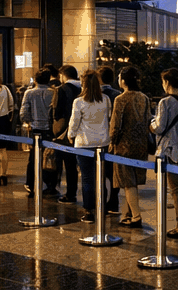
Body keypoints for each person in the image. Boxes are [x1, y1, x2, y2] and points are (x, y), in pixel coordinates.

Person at [108, 65, 152, 227]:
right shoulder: (144, 98)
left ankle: (136, 216)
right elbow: (148, 120)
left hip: (123, 146)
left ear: (124, 81)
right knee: (133, 182)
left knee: (127, 182)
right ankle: (127, 213)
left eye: (120, 77)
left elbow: (115, 125)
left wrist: (112, 142)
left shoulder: (120, 99)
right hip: (141, 144)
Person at [151, 67, 178, 238]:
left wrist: (151, 124)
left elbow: (159, 127)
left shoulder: (165, 102)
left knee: (176, 190)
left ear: (166, 82)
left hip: (170, 151)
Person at [67, 68, 110, 223]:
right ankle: (103, 207)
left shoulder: (79, 102)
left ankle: (88, 210)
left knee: (87, 178)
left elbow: (74, 122)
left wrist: (70, 135)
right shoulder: (105, 99)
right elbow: (108, 118)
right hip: (103, 142)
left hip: (84, 143)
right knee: (101, 177)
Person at [19, 67, 55, 196]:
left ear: (35, 79)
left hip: (35, 129)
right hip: (49, 129)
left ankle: (31, 184)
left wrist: (29, 122)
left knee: (33, 158)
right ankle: (50, 184)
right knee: (49, 157)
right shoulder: (53, 92)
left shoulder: (29, 93)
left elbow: (23, 112)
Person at [50, 64, 81, 202]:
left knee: (64, 162)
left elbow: (57, 113)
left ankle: (65, 191)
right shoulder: (84, 88)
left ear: (63, 75)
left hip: (65, 131)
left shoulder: (62, 89)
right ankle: (72, 191)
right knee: (74, 164)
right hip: (82, 131)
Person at [98, 66, 122, 213]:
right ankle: (114, 200)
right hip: (116, 139)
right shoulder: (118, 95)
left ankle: (102, 201)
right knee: (114, 172)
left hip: (100, 138)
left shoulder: (96, 96)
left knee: (101, 172)